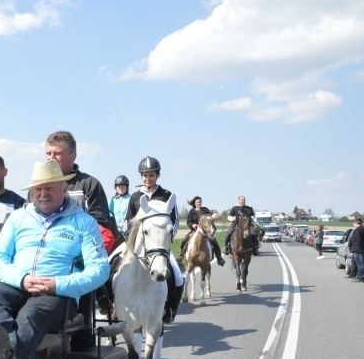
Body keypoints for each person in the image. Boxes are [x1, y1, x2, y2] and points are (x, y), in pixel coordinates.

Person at [0, 159, 109, 359]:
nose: (43, 193)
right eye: (38, 189)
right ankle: (6, 358)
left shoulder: (84, 222)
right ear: (32, 192)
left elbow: (100, 269)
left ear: (64, 189)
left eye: (50, 187)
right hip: (18, 284)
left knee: (31, 314)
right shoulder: (18, 218)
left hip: (58, 294)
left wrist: (58, 284)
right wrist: (21, 279)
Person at [38, 131, 119, 254]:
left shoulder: (90, 184)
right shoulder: (38, 186)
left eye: (58, 153)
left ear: (72, 156)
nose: (51, 158)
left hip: (80, 254)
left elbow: (99, 225)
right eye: (48, 153)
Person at [125, 156, 183, 325]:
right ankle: (115, 308)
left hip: (159, 246)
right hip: (136, 244)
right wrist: (130, 238)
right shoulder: (135, 196)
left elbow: (176, 219)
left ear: (157, 175)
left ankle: (170, 310)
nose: (147, 179)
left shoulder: (166, 195)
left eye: (151, 175)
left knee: (179, 277)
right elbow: (128, 219)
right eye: (144, 175)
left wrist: (167, 238)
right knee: (112, 267)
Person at [177, 196, 225, 266]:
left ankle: (219, 258)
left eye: (200, 202)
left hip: (205, 231)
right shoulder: (192, 211)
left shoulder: (205, 210)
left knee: (214, 241)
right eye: (197, 202)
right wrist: (192, 225)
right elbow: (189, 221)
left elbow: (210, 218)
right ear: (195, 203)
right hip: (195, 231)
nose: (199, 203)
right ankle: (181, 256)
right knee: (184, 240)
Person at [348, 217, 364, 282]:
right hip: (363, 249)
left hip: (358, 249)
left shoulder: (357, 230)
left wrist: (354, 248)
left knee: (360, 264)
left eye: (353, 223)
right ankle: (362, 277)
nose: (353, 225)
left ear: (356, 223)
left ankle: (361, 277)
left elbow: (357, 240)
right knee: (362, 264)